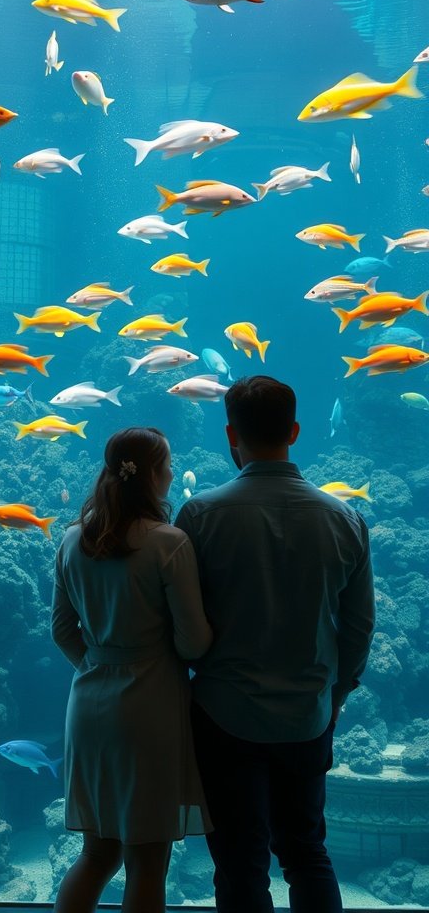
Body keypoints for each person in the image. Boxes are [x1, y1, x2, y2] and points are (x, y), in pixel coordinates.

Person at [175, 375, 375, 913]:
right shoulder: (345, 518)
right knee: (307, 852)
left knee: (240, 865)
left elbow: (181, 622)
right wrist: (335, 694)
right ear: (294, 431)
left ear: (230, 434)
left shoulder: (199, 516)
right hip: (308, 714)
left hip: (223, 715)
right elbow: (358, 628)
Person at [51, 426, 213, 913]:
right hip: (150, 707)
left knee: (98, 854)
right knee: (148, 860)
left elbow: (62, 630)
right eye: (166, 466)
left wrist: (101, 665)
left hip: (88, 704)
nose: (169, 474)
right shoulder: (169, 543)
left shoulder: (72, 539)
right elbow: (194, 641)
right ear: (150, 477)